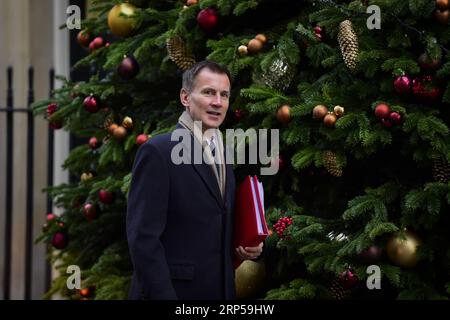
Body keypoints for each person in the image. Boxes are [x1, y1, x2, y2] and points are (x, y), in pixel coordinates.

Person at [126, 60, 263, 300]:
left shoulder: (223, 152)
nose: (217, 102)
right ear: (185, 97)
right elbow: (143, 241)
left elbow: (211, 227)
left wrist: (245, 247)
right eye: (208, 92)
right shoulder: (158, 152)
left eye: (224, 95)